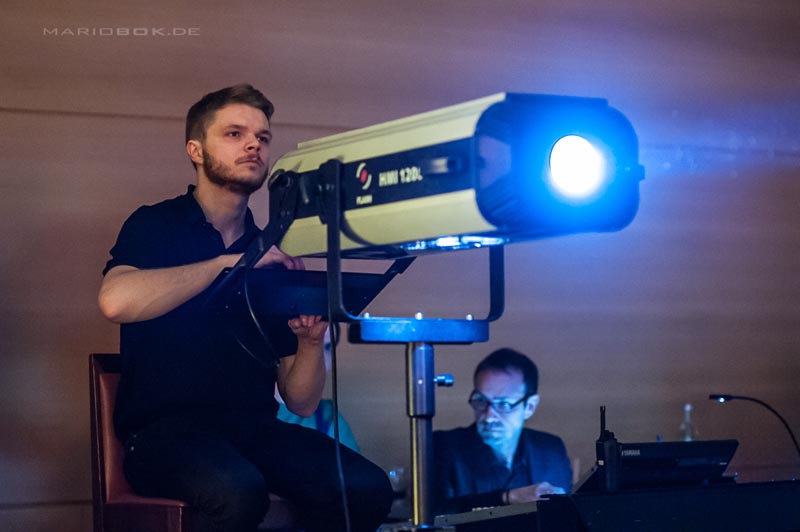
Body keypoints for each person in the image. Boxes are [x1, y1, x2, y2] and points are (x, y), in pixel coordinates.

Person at [98, 84, 392, 532]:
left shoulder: (271, 249)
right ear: (196, 150)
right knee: (239, 492)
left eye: (263, 137)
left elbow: (300, 399)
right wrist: (228, 264)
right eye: (235, 134)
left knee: (367, 488)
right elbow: (115, 300)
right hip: (162, 435)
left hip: (253, 430)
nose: (254, 144)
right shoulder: (155, 223)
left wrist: (309, 342)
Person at [433, 348, 572, 514]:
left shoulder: (550, 451)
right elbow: (433, 513)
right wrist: (508, 498)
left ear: (529, 406)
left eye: (503, 404)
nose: (489, 416)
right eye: (480, 400)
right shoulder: (444, 446)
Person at [276, 323, 361, 452]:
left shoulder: (328, 418)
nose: (317, 357)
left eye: (327, 347)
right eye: (305, 343)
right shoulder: (248, 409)